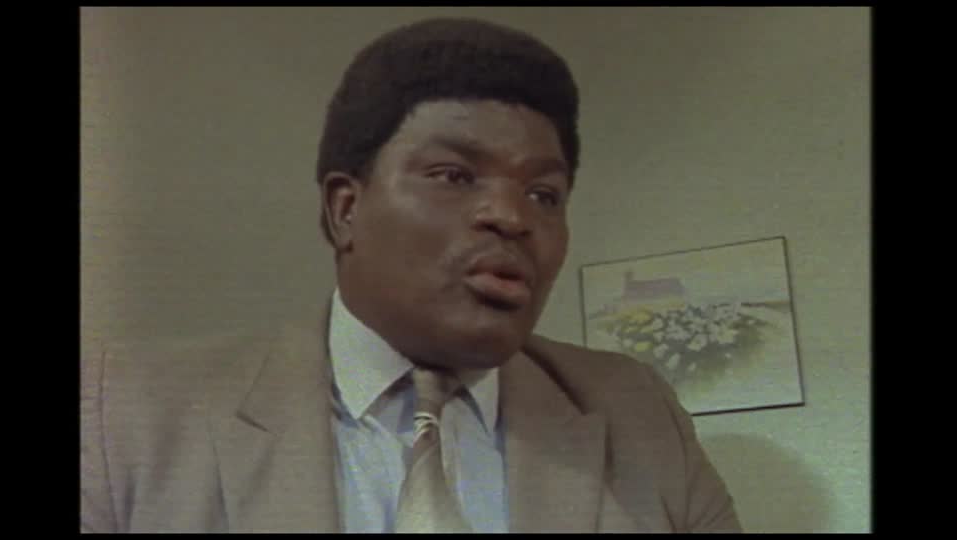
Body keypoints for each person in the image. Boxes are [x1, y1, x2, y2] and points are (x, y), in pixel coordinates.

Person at [80, 17, 742, 533]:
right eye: (454, 176)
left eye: (544, 194)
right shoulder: (127, 413)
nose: (511, 217)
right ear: (346, 209)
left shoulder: (635, 411)